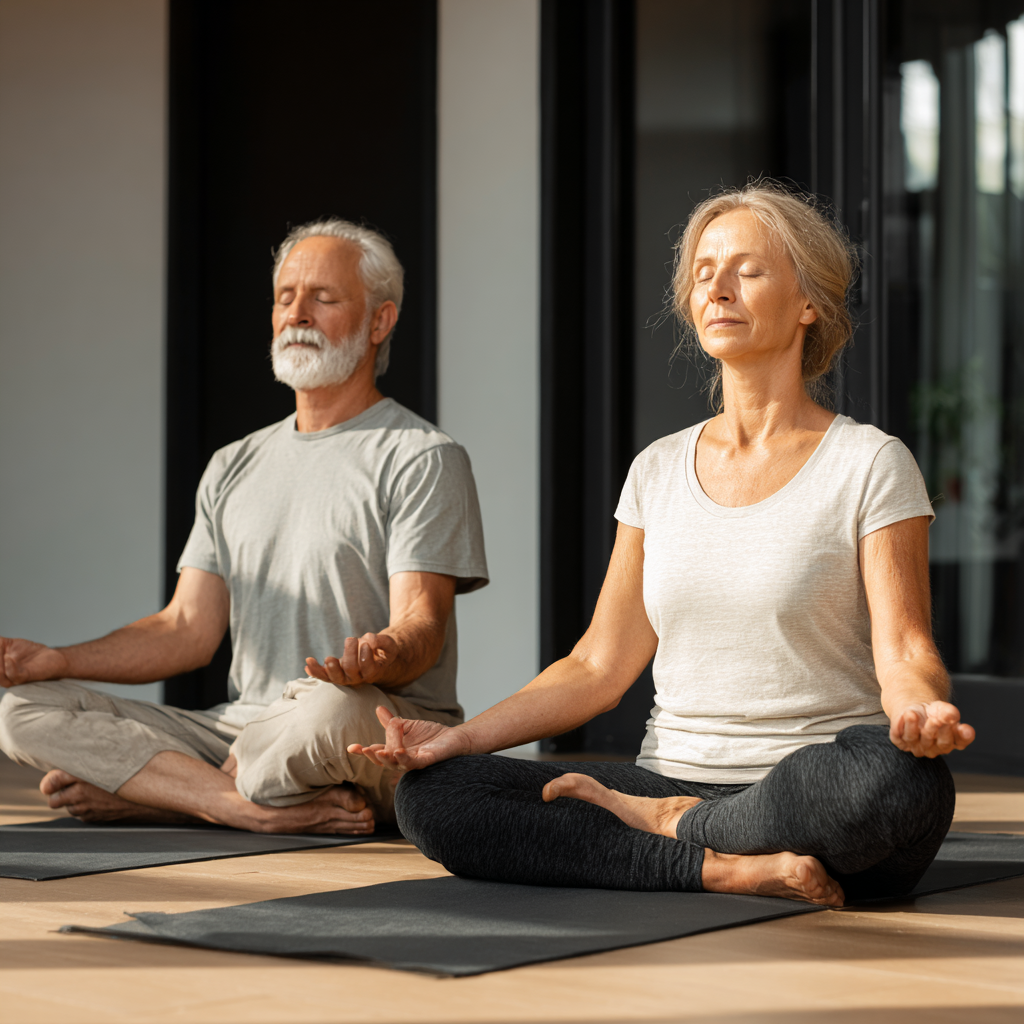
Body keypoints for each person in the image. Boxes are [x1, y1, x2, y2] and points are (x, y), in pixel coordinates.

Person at [347, 183, 975, 905]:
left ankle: (682, 830)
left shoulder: (868, 462)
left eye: (748, 269)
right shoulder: (658, 469)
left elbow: (906, 651)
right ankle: (719, 865)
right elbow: (596, 664)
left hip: (809, 780)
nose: (719, 288)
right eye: (704, 273)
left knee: (896, 782)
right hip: (665, 774)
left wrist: (917, 711)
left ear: (809, 303)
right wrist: (459, 740)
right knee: (438, 797)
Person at [0, 219, 488, 835]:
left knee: (327, 711)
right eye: (285, 297)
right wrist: (55, 659)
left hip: (364, 721)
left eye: (324, 298)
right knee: (24, 710)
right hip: (242, 728)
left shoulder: (421, 455)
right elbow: (184, 630)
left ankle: (164, 794)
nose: (297, 313)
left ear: (379, 322)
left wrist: (380, 655)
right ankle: (240, 805)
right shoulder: (232, 464)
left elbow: (423, 620)